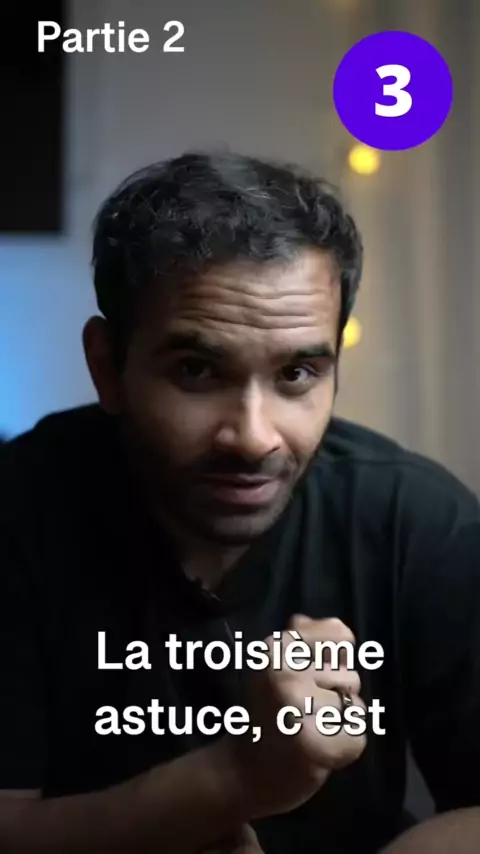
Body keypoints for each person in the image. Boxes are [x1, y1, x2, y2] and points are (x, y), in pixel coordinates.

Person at [1, 151, 479, 854]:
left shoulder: (418, 521)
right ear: (107, 366)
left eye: (297, 372)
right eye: (197, 370)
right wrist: (235, 777)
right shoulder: (17, 513)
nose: (254, 437)